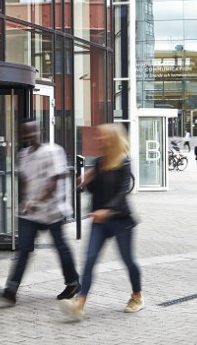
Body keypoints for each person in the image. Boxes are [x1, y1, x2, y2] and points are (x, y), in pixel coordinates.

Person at [60, 123, 142, 320]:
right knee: (89, 259)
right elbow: (94, 191)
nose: (98, 139)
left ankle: (137, 296)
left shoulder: (124, 163)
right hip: (99, 221)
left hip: (121, 220)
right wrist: (85, 181)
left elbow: (123, 192)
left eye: (102, 136)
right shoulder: (99, 162)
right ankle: (80, 303)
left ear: (112, 139)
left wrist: (108, 210)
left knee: (128, 260)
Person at [0, 120, 79, 304]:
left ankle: (73, 283)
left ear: (39, 130)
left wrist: (37, 201)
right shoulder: (23, 156)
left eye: (31, 131)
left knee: (61, 247)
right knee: (24, 249)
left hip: (52, 210)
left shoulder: (53, 151)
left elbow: (54, 181)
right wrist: (26, 203)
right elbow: (26, 181)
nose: (28, 136)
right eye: (25, 132)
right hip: (30, 213)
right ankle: (11, 289)